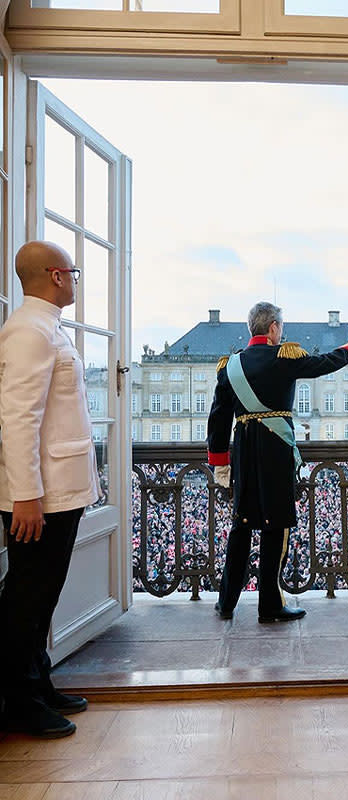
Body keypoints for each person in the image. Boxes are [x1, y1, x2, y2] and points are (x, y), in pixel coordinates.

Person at [207, 301, 348, 622]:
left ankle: (226, 602)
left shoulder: (230, 366)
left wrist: (220, 463)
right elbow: (325, 363)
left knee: (241, 526)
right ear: (275, 328)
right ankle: (269, 604)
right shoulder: (284, 357)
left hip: (244, 451)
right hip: (276, 449)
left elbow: (218, 419)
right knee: (275, 525)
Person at [0, 241, 100, 739]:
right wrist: (25, 495)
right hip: (42, 494)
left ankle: (38, 683)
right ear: (58, 276)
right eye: (74, 272)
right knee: (27, 596)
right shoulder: (29, 332)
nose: (77, 281)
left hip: (58, 488)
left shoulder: (44, 328)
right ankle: (19, 701)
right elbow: (19, 417)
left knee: (41, 595)